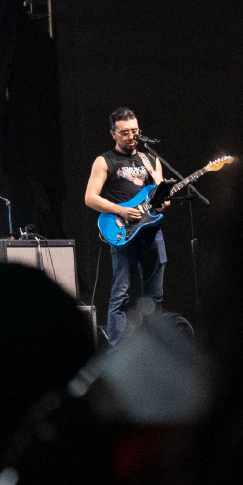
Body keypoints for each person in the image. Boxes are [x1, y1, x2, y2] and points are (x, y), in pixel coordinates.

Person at [84, 106, 168, 345]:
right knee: (121, 294)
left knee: (154, 297)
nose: (131, 136)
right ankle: (117, 352)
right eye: (124, 133)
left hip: (151, 232)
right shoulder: (105, 161)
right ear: (113, 134)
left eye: (135, 131)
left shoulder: (150, 160)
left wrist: (163, 202)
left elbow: (161, 197)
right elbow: (90, 198)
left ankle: (152, 350)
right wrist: (121, 210)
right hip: (124, 232)